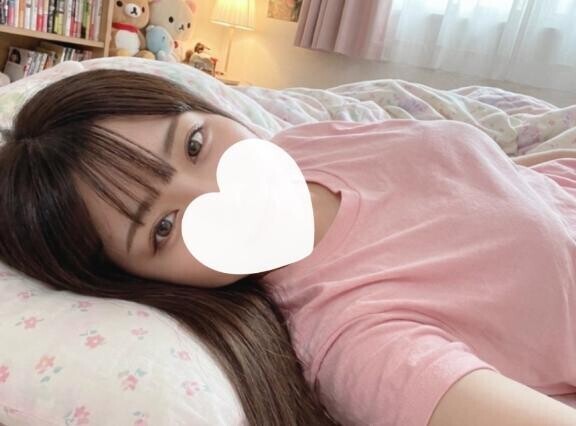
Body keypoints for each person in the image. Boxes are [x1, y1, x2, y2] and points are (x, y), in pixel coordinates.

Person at [1, 68, 576, 426]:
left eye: (195, 143)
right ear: (140, 280)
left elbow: (497, 179)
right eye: (163, 227)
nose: (220, 192)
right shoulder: (358, 344)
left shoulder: (298, 146)